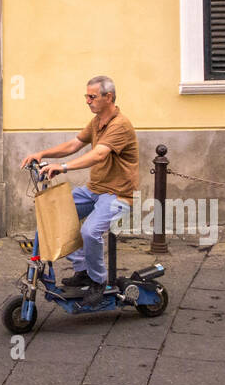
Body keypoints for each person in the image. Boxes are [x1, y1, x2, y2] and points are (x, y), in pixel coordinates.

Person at [20, 75, 139, 306]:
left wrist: (63, 167)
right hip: (94, 190)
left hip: (118, 195)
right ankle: (83, 270)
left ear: (109, 97)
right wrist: (42, 154)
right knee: (54, 212)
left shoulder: (120, 125)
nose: (87, 101)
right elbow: (74, 144)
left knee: (89, 232)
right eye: (86, 96)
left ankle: (98, 281)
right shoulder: (97, 122)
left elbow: (99, 154)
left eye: (92, 96)